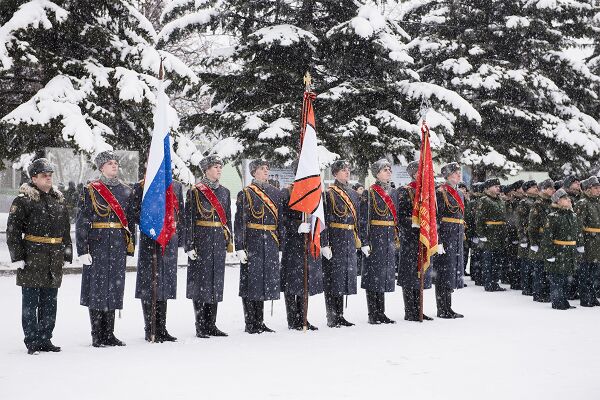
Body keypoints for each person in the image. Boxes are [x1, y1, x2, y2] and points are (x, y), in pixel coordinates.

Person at [7, 158, 72, 354]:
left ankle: (45, 338)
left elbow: (65, 230)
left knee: (50, 301)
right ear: (33, 178)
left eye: (50, 175)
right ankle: (32, 340)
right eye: (44, 175)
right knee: (30, 302)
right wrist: (17, 256)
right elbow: (13, 231)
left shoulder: (58, 200)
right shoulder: (23, 201)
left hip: (54, 257)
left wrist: (67, 253)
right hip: (32, 256)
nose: (48, 178)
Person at [76, 151, 134, 347]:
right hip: (97, 244)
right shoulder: (91, 189)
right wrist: (82, 249)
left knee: (114, 288)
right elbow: (82, 220)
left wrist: (130, 247)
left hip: (118, 244)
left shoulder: (126, 190)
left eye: (116, 162)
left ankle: (109, 333)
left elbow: (129, 222)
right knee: (97, 288)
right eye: (110, 163)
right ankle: (97, 334)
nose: (114, 165)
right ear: (101, 168)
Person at [128, 165, 184, 342]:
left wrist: (179, 239)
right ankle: (150, 327)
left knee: (164, 283)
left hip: (168, 240)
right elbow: (134, 212)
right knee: (149, 283)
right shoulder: (142, 186)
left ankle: (161, 327)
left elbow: (179, 213)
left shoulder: (175, 186)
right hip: (150, 239)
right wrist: (152, 223)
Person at [185, 155, 233, 337]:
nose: (219, 170)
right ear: (206, 170)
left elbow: (227, 219)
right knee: (200, 283)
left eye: (220, 167)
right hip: (202, 241)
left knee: (215, 281)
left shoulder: (225, 192)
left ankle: (211, 324)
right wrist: (189, 244)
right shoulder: (195, 191)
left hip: (218, 241)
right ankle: (200, 325)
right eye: (215, 167)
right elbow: (189, 220)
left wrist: (229, 242)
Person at [234, 159, 282, 334]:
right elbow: (240, 222)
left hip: (270, 242)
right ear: (254, 172)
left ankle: (260, 321)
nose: (266, 171)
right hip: (252, 242)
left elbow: (280, 221)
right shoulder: (246, 193)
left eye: (267, 168)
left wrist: (281, 244)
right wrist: (239, 246)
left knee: (264, 282)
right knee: (250, 283)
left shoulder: (275, 193)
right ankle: (250, 322)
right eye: (262, 168)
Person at [280, 162, 325, 331]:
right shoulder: (287, 192)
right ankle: (293, 319)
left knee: (305, 280)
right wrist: (296, 226)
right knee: (292, 282)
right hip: (293, 242)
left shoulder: (313, 191)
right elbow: (281, 218)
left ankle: (303, 317)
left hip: (308, 242)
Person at [322, 160, 360, 327]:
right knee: (333, 278)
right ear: (335, 174)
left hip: (349, 238)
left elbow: (357, 220)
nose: (347, 172)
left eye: (348, 170)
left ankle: (340, 315)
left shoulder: (353, 194)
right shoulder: (328, 193)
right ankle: (332, 316)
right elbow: (324, 220)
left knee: (344, 278)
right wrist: (324, 243)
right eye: (343, 170)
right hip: (335, 238)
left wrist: (358, 239)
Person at [360, 159, 398, 324]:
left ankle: (381, 312)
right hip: (375, 239)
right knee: (373, 276)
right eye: (384, 170)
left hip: (388, 238)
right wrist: (364, 241)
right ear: (377, 174)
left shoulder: (392, 192)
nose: (388, 172)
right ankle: (373, 313)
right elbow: (363, 220)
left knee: (383, 276)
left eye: (389, 169)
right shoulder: (369, 193)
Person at [434, 162, 465, 318]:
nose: (458, 175)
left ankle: (448, 307)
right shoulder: (440, 192)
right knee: (443, 272)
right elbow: (436, 217)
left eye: (459, 172)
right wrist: (438, 240)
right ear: (447, 176)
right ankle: (442, 308)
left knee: (452, 271)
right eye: (455, 173)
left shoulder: (459, 193)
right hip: (446, 235)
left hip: (456, 235)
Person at [542, 189, 579, 310]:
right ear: (558, 201)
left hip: (569, 251)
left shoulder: (573, 215)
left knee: (567, 278)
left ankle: (564, 300)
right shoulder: (552, 217)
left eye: (568, 198)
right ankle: (557, 302)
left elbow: (577, 233)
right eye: (565, 198)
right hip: (558, 251)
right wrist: (549, 254)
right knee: (557, 278)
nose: (568, 200)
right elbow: (547, 238)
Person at [476, 177, 507, 292]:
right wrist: (481, 234)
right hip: (489, 234)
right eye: (495, 186)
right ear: (488, 188)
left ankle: (495, 282)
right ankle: (488, 283)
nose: (498, 188)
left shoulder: (500, 200)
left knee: (497, 260)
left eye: (499, 186)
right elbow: (479, 219)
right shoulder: (484, 200)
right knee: (488, 260)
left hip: (499, 234)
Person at [574, 177, 600, 307]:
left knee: (595, 272)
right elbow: (578, 225)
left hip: (597, 242)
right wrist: (580, 243)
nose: (598, 190)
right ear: (588, 189)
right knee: (585, 272)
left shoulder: (597, 202)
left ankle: (593, 296)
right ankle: (585, 297)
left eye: (599, 187)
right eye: (595, 188)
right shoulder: (582, 203)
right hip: (588, 242)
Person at [527, 179, 555, 303]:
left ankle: (545, 292)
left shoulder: (551, 202)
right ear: (544, 189)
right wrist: (534, 242)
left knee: (546, 268)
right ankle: (538, 294)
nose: (553, 190)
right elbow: (532, 225)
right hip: (540, 238)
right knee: (539, 268)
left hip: (548, 239)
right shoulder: (538, 204)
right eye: (550, 188)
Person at [516, 180, 539, 296]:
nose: (536, 188)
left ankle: (532, 286)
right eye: (533, 187)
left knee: (533, 263)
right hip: (527, 236)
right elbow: (520, 222)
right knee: (526, 263)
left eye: (536, 186)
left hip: (534, 236)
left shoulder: (537, 201)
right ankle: (526, 287)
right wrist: (522, 237)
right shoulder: (524, 203)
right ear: (527, 190)